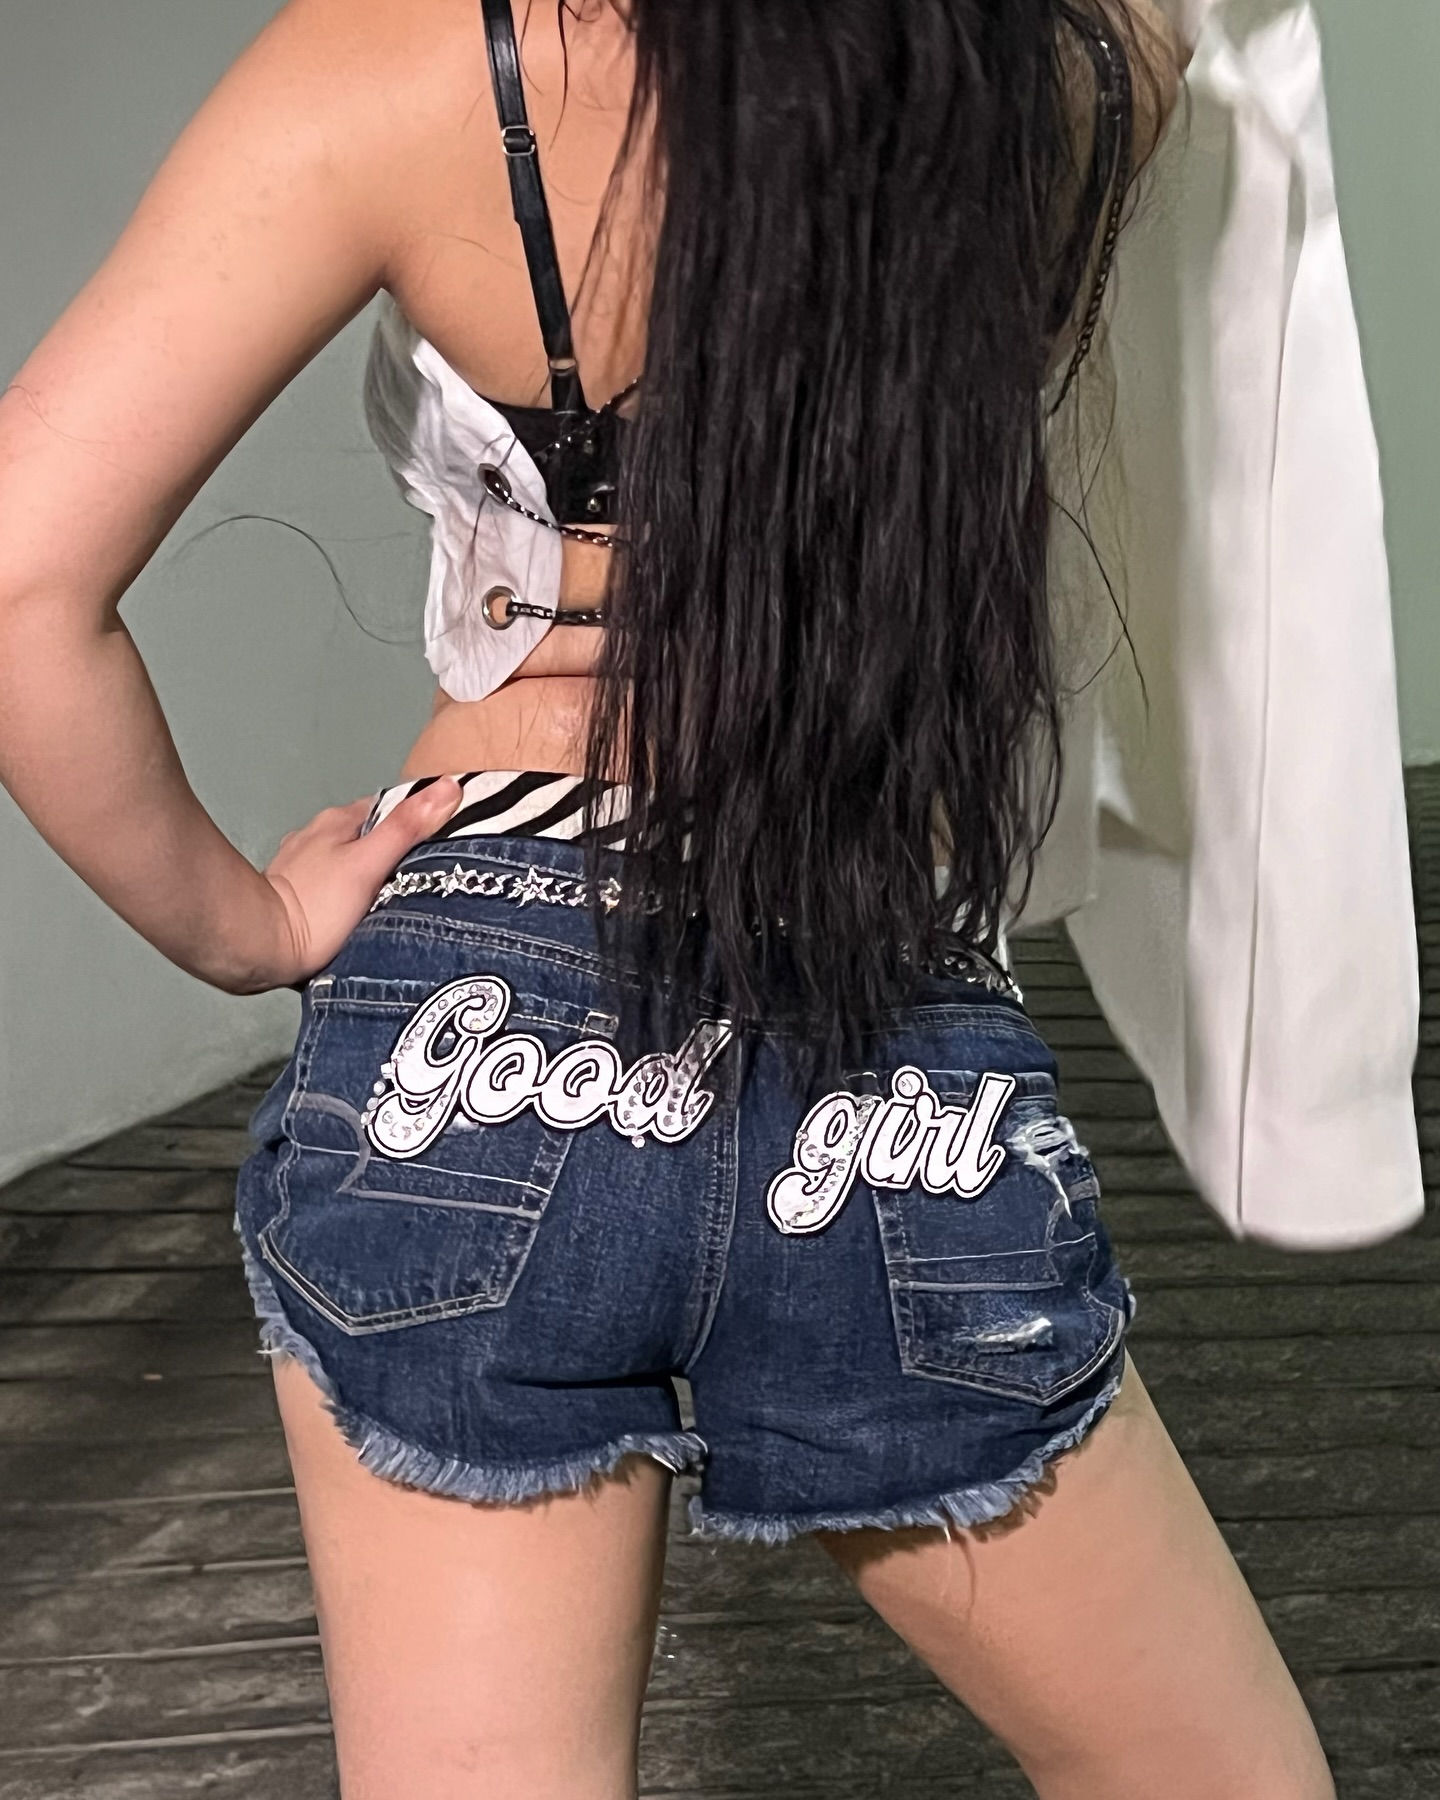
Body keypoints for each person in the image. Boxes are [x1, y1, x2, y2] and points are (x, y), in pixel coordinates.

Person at [0, 1, 1338, 1794]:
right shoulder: (1081, 58)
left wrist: (242, 926)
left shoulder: (410, 57)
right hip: (878, 1022)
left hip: (478, 1021)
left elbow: (20, 583)